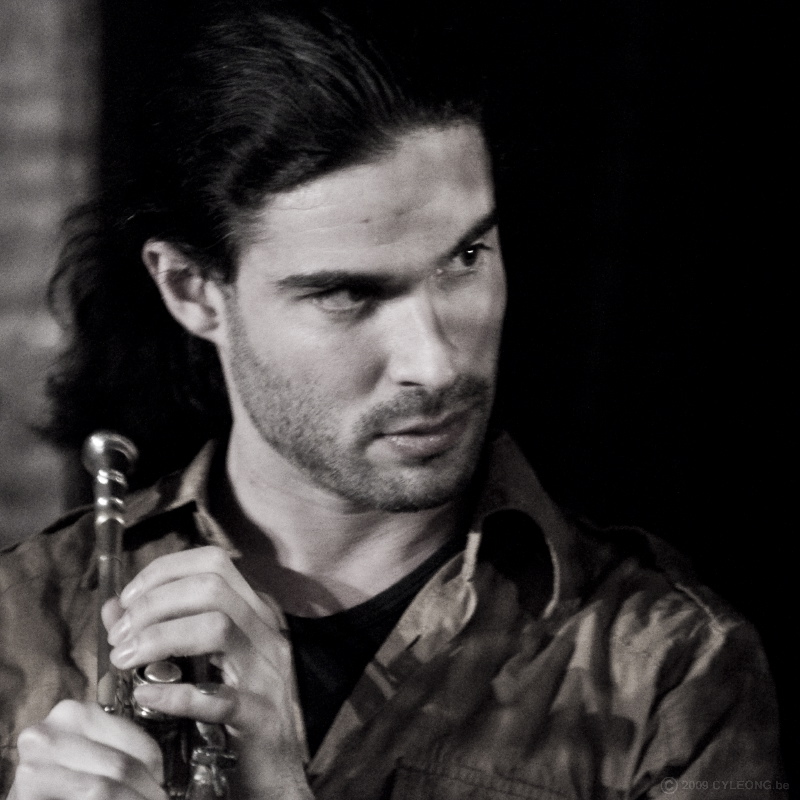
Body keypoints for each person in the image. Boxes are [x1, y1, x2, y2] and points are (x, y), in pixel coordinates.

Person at [0, 2, 784, 798]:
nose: (436, 362)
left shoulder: (675, 670)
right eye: (348, 294)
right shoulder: (17, 619)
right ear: (193, 290)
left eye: (466, 257)